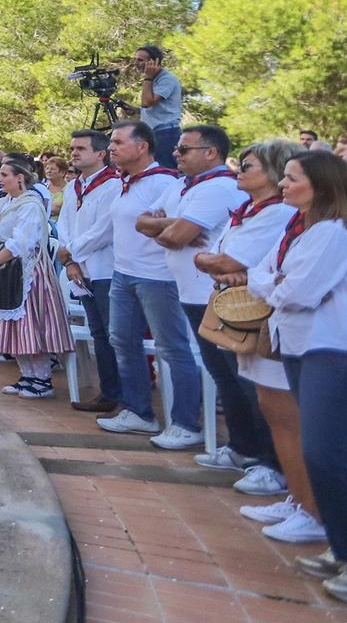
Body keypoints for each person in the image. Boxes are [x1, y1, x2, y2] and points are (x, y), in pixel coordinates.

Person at [247, 153, 347, 604]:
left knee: (325, 450)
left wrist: (276, 285)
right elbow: (263, 273)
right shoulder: (302, 229)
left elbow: (297, 293)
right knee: (330, 451)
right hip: (304, 347)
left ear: (321, 185)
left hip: (339, 350)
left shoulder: (337, 232)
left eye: (292, 179)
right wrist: (277, 284)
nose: (284, 185)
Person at [194, 140, 314, 539]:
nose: (239, 171)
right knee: (243, 386)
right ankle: (282, 482)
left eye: (249, 166)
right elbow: (214, 256)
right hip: (245, 309)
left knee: (274, 404)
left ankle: (280, 475)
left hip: (280, 326)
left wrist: (251, 276)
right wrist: (248, 274)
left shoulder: (285, 216)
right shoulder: (247, 211)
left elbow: (252, 269)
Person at [139, 125, 258, 473]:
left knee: (237, 377)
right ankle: (241, 447)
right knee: (224, 376)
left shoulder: (220, 187)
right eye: (177, 148)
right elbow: (141, 222)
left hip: (216, 296)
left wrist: (167, 228)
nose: (176, 153)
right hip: (192, 292)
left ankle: (254, 452)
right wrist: (170, 227)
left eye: (184, 149)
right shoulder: (181, 184)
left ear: (211, 153)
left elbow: (175, 238)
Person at [97, 122, 204, 446]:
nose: (111, 148)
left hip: (158, 277)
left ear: (142, 146)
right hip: (124, 273)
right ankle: (140, 412)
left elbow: (182, 223)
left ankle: (187, 423)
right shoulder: (127, 182)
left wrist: (154, 223)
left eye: (117, 142)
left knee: (172, 348)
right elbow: (138, 223)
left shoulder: (164, 182)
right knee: (123, 342)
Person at [0, 156, 74, 398]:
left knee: (30, 325)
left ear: (20, 178)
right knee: (12, 325)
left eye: (5, 175)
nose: (0, 179)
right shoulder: (1, 203)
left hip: (26, 272)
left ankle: (42, 380)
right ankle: (27, 375)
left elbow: (22, 243)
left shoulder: (30, 205)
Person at [56, 130, 122, 414]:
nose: (74, 153)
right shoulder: (73, 187)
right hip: (81, 270)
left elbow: (105, 229)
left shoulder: (114, 185)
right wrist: (70, 261)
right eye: (72, 148)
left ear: (100, 154)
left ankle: (124, 394)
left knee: (112, 334)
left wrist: (72, 251)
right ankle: (108, 392)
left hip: (106, 267)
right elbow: (64, 223)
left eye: (81, 148)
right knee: (98, 333)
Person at [131, 45, 184, 170]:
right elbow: (155, 107)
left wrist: (148, 77)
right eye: (136, 59)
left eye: (140, 60)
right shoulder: (154, 80)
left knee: (166, 170)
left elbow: (147, 102)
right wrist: (137, 111)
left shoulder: (167, 79)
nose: (135, 63)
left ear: (154, 62)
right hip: (154, 133)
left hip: (166, 134)